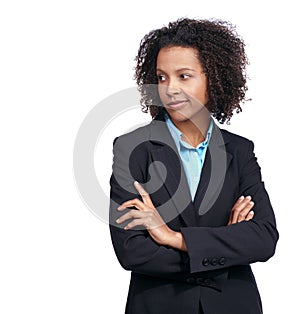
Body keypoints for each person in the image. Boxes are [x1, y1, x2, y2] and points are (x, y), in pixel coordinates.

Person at [109, 18, 279, 314]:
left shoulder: (239, 151)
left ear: (212, 78)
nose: (170, 88)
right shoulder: (132, 149)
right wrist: (223, 250)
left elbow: (263, 238)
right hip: (159, 306)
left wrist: (173, 238)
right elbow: (132, 251)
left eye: (184, 76)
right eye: (161, 77)